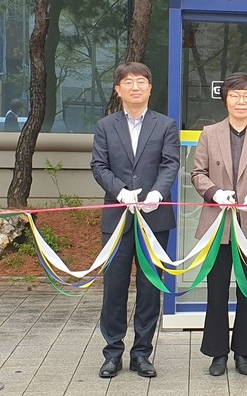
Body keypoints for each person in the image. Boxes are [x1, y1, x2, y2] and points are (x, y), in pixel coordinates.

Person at [91, 62, 180, 379]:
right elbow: (99, 165)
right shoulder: (105, 126)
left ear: (150, 88)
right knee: (114, 288)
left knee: (150, 287)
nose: (135, 87)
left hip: (154, 219)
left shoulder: (165, 125)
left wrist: (157, 193)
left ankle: (142, 353)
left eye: (141, 81)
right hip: (117, 219)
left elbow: (170, 164)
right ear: (118, 89)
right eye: (128, 82)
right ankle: (112, 353)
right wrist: (120, 192)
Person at [191, 73, 247, 377]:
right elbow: (198, 173)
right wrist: (214, 192)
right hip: (218, 223)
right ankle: (217, 353)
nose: (241, 101)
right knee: (216, 291)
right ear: (225, 99)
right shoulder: (209, 133)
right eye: (235, 95)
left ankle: (244, 352)